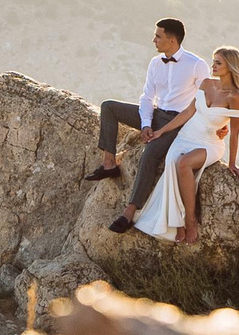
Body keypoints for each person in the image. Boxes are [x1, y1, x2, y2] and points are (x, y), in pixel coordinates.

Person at [89, 18, 208, 235]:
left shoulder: (197, 65)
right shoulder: (155, 63)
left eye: (158, 36)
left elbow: (206, 100)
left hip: (176, 123)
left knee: (150, 154)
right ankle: (109, 164)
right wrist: (145, 124)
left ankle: (129, 212)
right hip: (153, 114)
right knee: (109, 107)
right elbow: (146, 96)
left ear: (172, 40)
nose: (153, 40)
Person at [134, 45, 239, 244]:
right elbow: (188, 112)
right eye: (213, 61)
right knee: (171, 163)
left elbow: (235, 134)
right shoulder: (206, 83)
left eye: (218, 63)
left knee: (184, 163)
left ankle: (190, 220)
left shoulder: (235, 97)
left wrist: (231, 164)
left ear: (230, 66)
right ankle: (177, 223)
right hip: (186, 134)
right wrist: (161, 131)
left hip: (209, 143)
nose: (212, 65)